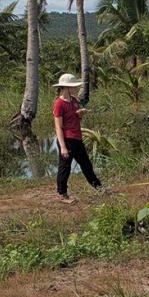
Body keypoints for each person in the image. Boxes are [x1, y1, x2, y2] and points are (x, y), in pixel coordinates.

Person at [53, 72, 102, 203]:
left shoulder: (75, 101)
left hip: (77, 138)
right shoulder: (58, 104)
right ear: (66, 88)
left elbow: (75, 119)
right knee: (65, 167)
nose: (75, 88)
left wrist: (80, 115)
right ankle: (62, 193)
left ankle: (99, 187)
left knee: (86, 164)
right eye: (73, 86)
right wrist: (63, 147)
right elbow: (58, 127)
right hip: (66, 139)